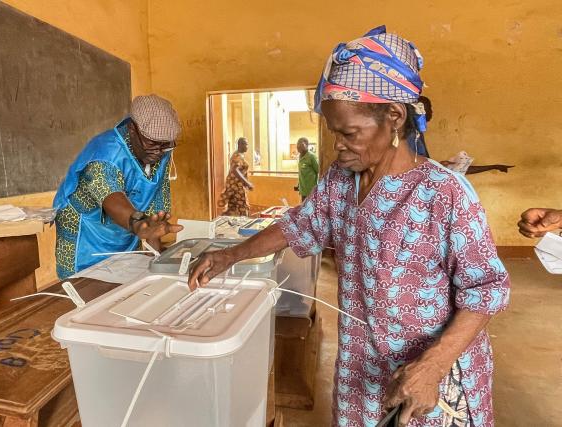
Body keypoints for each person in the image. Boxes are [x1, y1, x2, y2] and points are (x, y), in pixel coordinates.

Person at [190, 26, 510, 427]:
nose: (338, 146)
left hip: (429, 379)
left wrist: (434, 364)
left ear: (394, 117)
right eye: (333, 133)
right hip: (363, 367)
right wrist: (230, 255)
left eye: (349, 133)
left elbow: (486, 290)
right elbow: (300, 225)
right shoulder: (341, 181)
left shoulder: (443, 193)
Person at [53, 95, 183, 278]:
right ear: (132, 129)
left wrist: (155, 259)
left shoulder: (160, 150)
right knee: (86, 288)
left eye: (166, 145)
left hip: (128, 228)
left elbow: (155, 212)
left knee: (127, 282)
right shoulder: (105, 153)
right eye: (152, 143)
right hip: (86, 233)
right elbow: (111, 198)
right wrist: (140, 224)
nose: (159, 152)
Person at [416, 96, 513, 175]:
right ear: (420, 111)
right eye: (429, 108)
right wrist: (437, 167)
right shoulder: (412, 135)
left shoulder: (417, 133)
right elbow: (417, 166)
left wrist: (438, 165)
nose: (432, 112)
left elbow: (422, 163)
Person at [218, 137, 254, 216]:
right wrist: (247, 183)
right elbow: (235, 170)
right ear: (240, 144)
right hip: (236, 186)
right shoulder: (237, 156)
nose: (247, 146)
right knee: (243, 208)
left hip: (235, 186)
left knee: (233, 208)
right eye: (246, 144)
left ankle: (224, 221)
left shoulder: (240, 155)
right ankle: (244, 226)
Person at [294, 137, 320, 201]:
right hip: (303, 190)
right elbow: (302, 172)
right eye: (297, 145)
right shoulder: (299, 157)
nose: (298, 147)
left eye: (301, 145)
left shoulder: (311, 157)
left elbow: (319, 170)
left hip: (311, 190)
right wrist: (299, 185)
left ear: (306, 145)